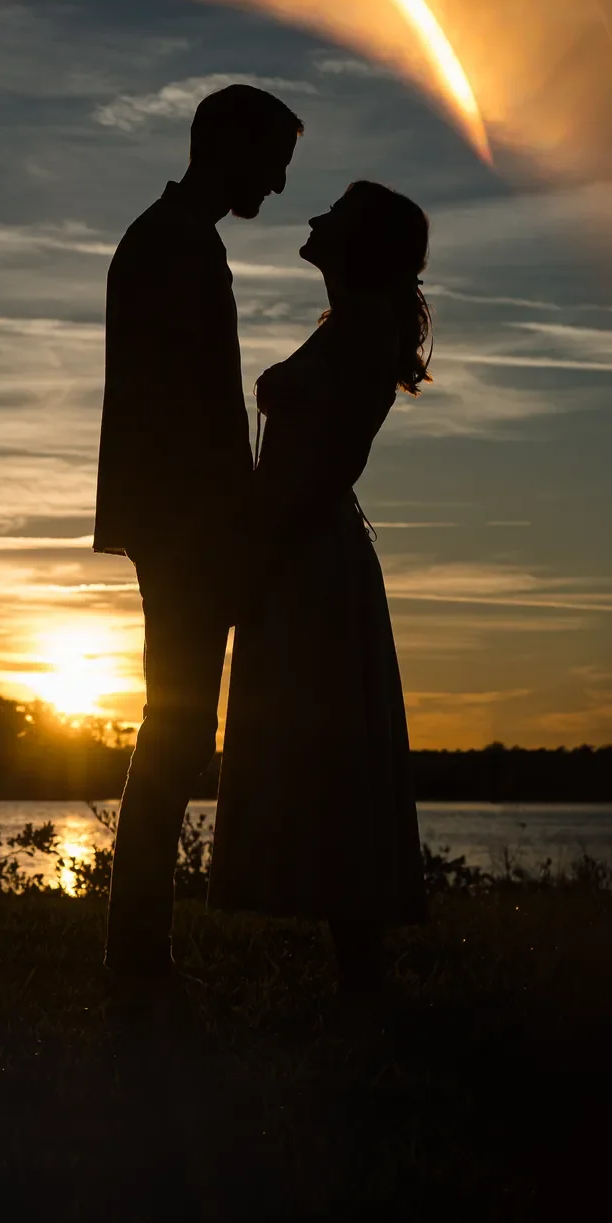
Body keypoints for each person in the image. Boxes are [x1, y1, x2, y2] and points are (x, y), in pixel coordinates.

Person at [94, 82, 303, 992]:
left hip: (179, 520)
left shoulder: (174, 238)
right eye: (275, 165)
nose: (282, 187)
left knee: (176, 728)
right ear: (233, 150)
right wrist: (231, 526)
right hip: (185, 525)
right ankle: (139, 953)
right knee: (175, 729)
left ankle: (142, 948)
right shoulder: (173, 244)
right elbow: (188, 412)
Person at [208, 180, 430, 995]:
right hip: (303, 545)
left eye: (332, 213)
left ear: (361, 242)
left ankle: (363, 978)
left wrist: (256, 556)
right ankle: (357, 977)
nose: (311, 218)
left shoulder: (363, 330)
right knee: (323, 746)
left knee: (332, 744)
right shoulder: (347, 326)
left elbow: (319, 466)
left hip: (309, 553)